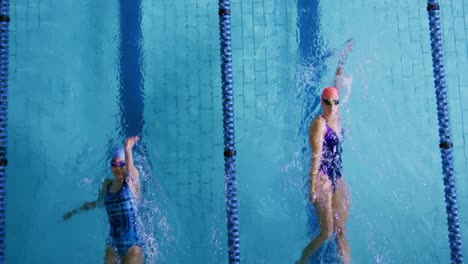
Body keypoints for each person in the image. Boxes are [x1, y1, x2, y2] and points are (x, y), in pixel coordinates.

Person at [297, 39, 354, 264]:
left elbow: (337, 82)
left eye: (335, 102)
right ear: (322, 103)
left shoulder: (337, 118)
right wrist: (312, 187)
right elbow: (316, 157)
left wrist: (343, 58)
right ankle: (301, 261)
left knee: (341, 231)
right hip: (322, 177)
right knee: (326, 232)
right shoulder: (319, 124)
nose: (331, 106)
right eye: (327, 102)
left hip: (337, 175)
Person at [64, 136, 143, 264]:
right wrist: (75, 211)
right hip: (113, 246)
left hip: (133, 247)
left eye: (121, 164)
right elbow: (98, 203)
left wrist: (128, 149)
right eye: (114, 164)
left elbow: (131, 169)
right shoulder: (107, 185)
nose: (118, 168)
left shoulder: (131, 183)